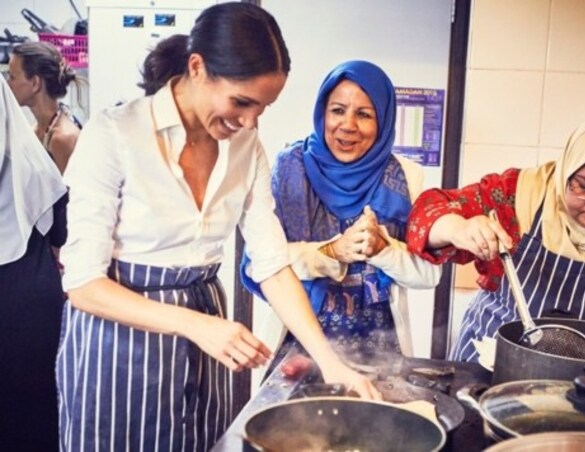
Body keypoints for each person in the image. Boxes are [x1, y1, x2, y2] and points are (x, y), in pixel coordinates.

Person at [56, 4, 379, 451]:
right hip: (119, 341)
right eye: (241, 102)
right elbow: (83, 285)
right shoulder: (115, 135)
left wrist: (332, 363)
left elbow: (272, 263)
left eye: (262, 108)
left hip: (205, 328)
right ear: (197, 67)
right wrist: (197, 326)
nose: (249, 122)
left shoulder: (245, 147)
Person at [406, 117, 585, 363]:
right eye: (584, 186)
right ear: (566, 172)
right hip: (493, 360)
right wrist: (458, 228)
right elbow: (427, 211)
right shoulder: (514, 194)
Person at [241, 60, 441, 360]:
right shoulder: (289, 168)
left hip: (380, 348)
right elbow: (259, 265)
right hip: (299, 345)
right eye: (337, 110)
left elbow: (428, 275)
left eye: (364, 114)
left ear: (384, 121)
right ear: (323, 112)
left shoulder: (406, 176)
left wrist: (383, 249)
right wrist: (333, 251)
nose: (347, 125)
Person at [0, 77, 68, 451]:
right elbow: (59, 233)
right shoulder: (31, 158)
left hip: (23, 300)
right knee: (32, 410)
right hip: (31, 297)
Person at [7, 41, 83, 174]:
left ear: (35, 83)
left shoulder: (62, 138)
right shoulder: (38, 127)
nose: (8, 84)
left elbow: (73, 194)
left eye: (12, 77)